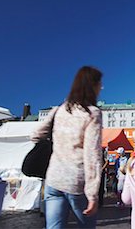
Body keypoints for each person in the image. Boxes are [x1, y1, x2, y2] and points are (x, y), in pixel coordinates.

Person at [31, 66, 103, 229]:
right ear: (92, 86)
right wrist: (93, 194)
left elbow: (35, 135)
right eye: (100, 83)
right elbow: (92, 155)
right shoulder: (92, 113)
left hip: (54, 178)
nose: (101, 88)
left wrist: (58, 146)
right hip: (76, 182)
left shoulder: (59, 110)